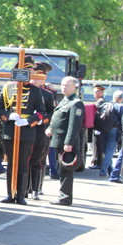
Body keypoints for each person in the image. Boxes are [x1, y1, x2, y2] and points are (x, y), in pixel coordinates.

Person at [0, 57, 45, 205]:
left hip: (27, 130)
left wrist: (29, 121)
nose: (30, 73)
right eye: (26, 70)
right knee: (11, 163)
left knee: (23, 163)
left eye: (31, 71)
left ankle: (21, 194)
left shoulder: (35, 90)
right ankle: (10, 193)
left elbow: (42, 112)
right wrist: (8, 115)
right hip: (10, 128)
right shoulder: (8, 87)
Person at [47, 76, 84, 206]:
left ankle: (65, 197)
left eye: (67, 85)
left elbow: (74, 125)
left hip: (66, 143)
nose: (64, 87)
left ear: (75, 87)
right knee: (61, 169)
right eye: (62, 85)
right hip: (57, 140)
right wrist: (51, 128)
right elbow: (59, 119)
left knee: (66, 170)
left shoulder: (76, 103)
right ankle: (63, 195)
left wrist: (68, 143)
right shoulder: (64, 101)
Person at [29, 62, 55, 200]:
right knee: (25, 159)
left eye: (38, 74)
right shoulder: (25, 90)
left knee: (38, 159)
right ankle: (26, 187)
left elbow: (52, 113)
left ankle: (36, 187)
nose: (35, 77)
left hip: (40, 131)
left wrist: (42, 120)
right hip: (27, 129)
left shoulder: (48, 95)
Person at [93, 84, 119, 178]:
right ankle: (110, 170)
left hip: (103, 129)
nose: (94, 93)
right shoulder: (105, 102)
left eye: (96, 92)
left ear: (101, 92)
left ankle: (103, 171)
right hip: (111, 129)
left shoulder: (100, 102)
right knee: (108, 151)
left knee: (107, 151)